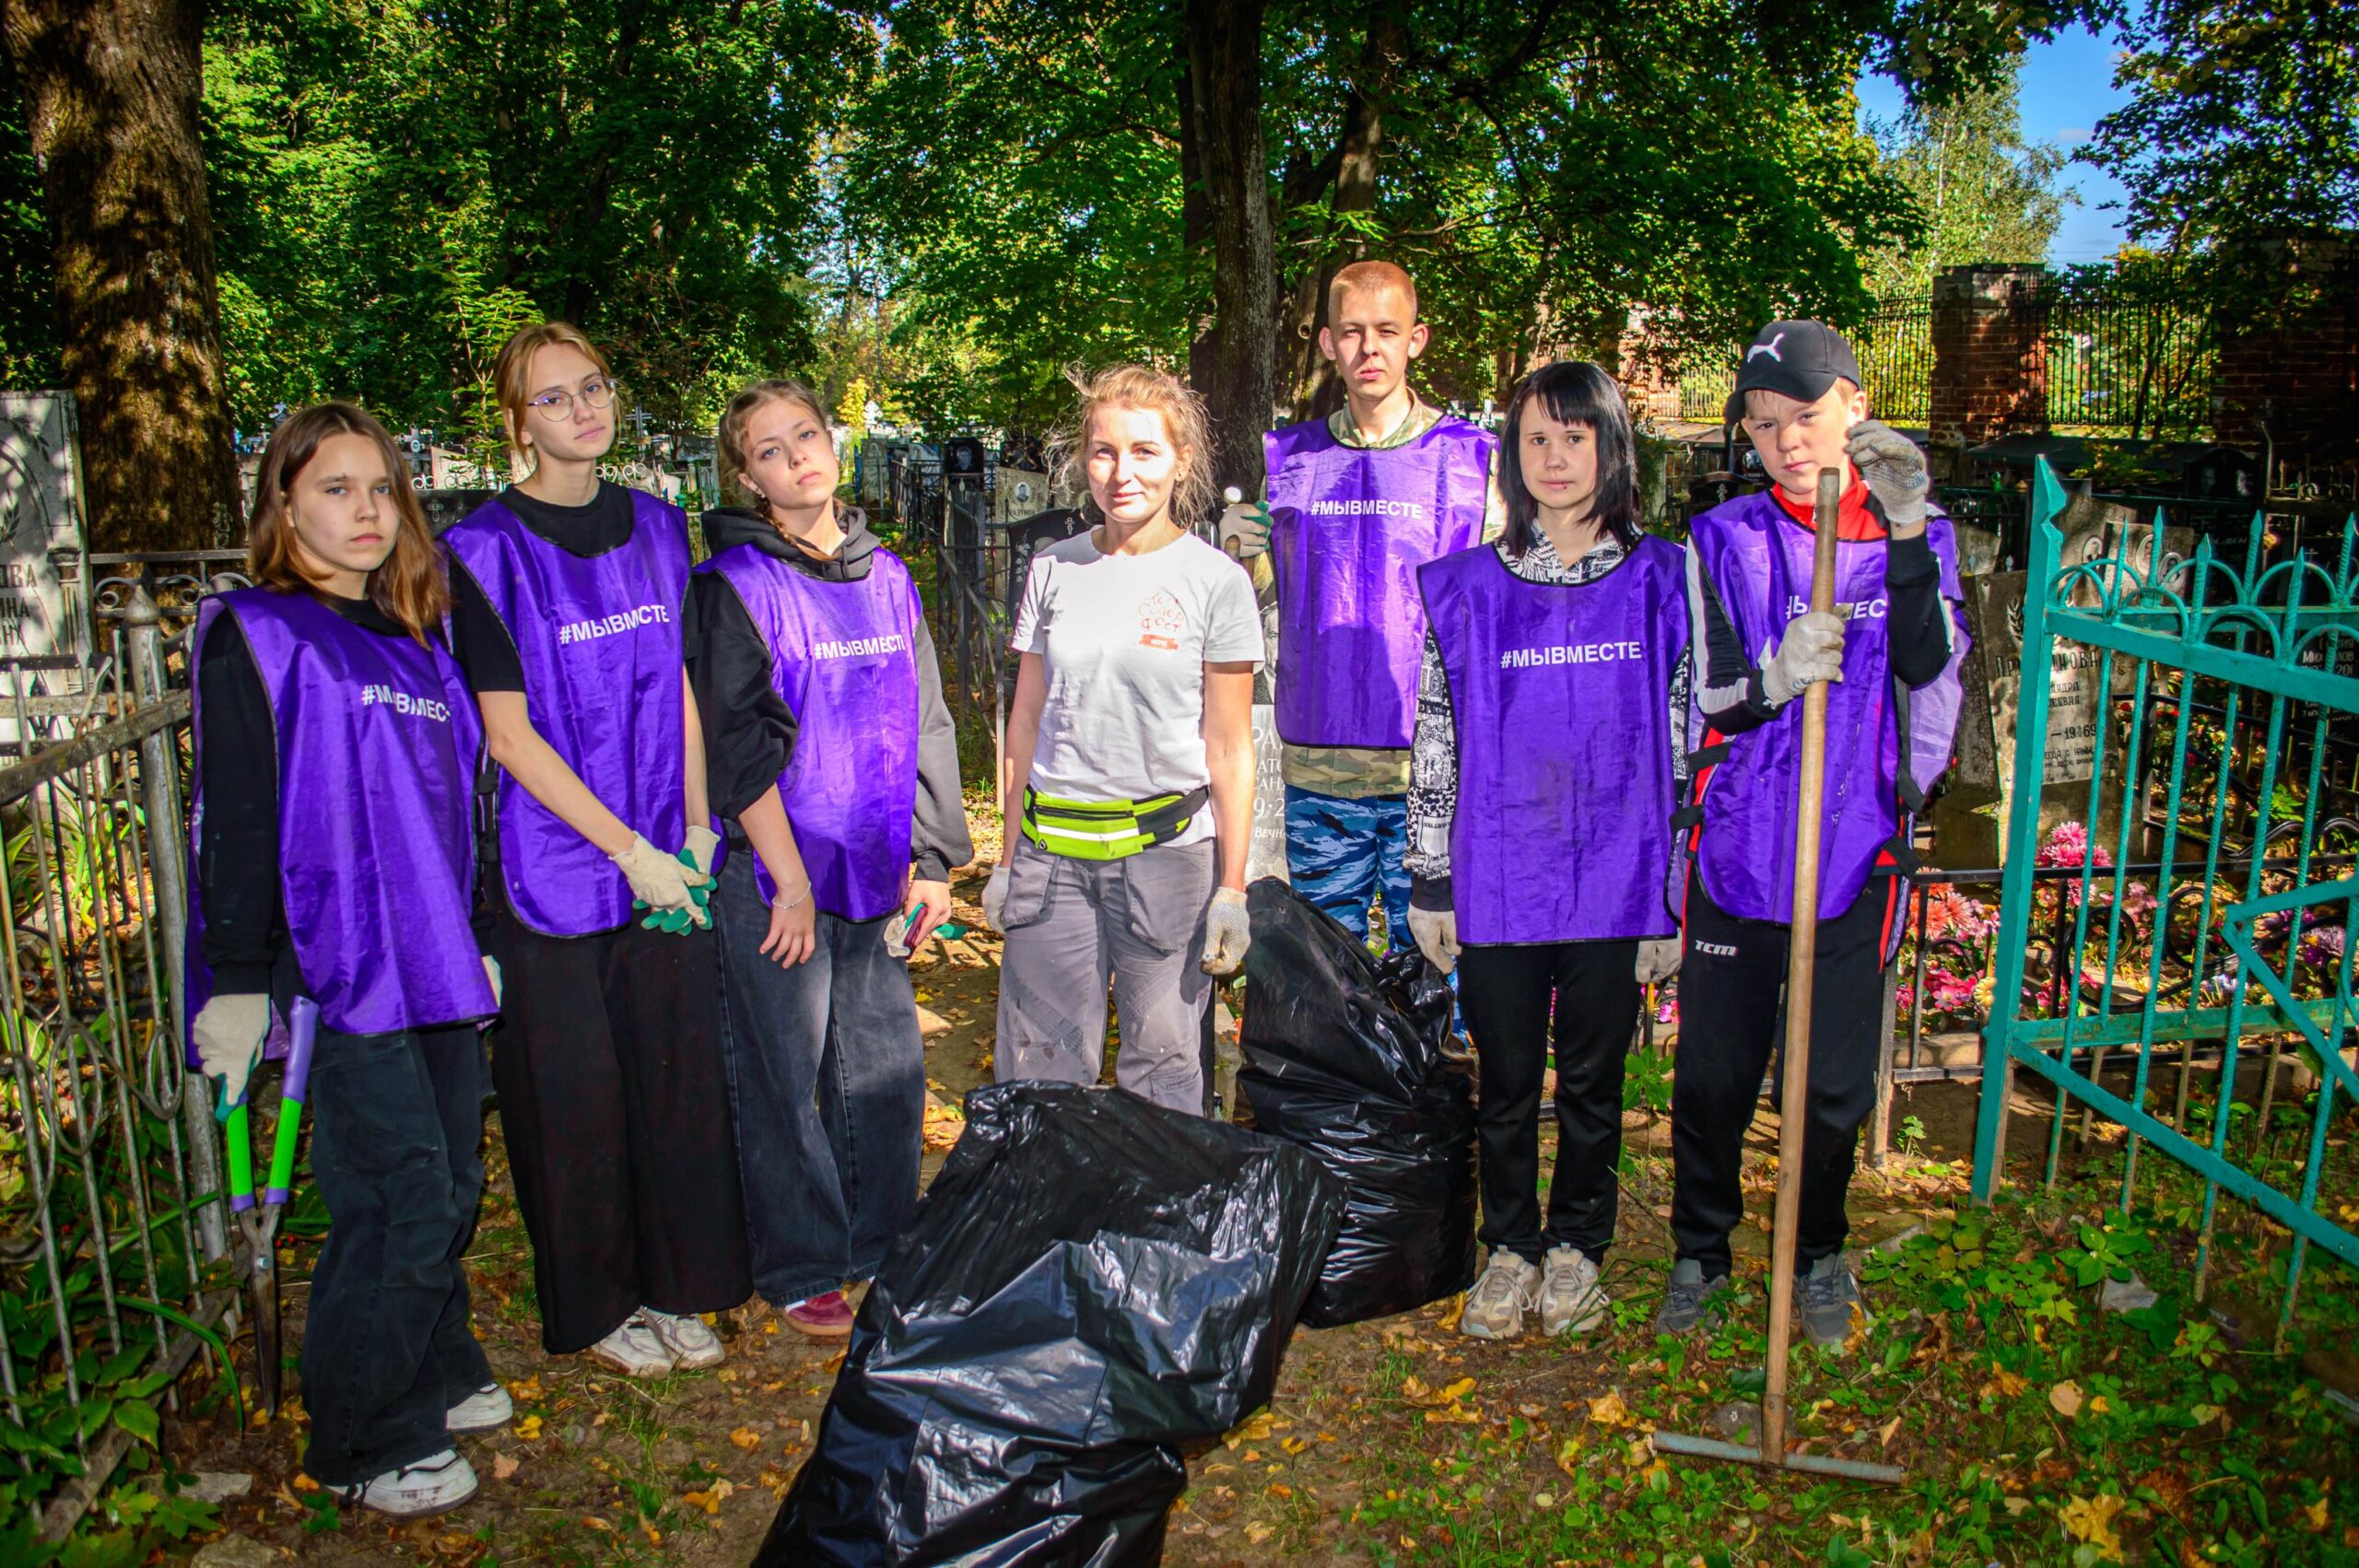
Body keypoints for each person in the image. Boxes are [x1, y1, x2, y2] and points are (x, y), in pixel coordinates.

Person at [187, 403, 503, 1516]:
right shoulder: (258, 631)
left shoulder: (416, 636)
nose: (367, 511)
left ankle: (436, 1364)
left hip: (436, 953)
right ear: (283, 505)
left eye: (381, 490)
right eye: (335, 489)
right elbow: (235, 810)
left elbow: (454, 802)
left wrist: (479, 933)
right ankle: (363, 1439)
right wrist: (237, 977)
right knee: (399, 1192)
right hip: (342, 962)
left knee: (453, 1175)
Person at [443, 322, 751, 1379]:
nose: (583, 410)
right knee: (573, 1098)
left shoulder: (661, 528)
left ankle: (676, 1280)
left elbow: (679, 684)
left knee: (673, 1079)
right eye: (553, 398)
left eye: (593, 387)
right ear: (516, 423)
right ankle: (602, 1299)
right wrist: (627, 850)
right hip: (558, 868)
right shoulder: (483, 551)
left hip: (669, 854)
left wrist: (698, 824)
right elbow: (508, 734)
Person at [1660, 321, 1967, 1348]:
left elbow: (1924, 664)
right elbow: (1711, 693)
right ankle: (1702, 1251)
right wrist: (1776, 677)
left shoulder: (1918, 534)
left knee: (1832, 1087)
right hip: (1742, 840)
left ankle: (1818, 1250)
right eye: (1761, 424)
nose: (1786, 440)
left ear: (1855, 407)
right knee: (1713, 1076)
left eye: (1805, 415)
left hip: (1857, 846)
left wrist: (1909, 528)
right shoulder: (1722, 538)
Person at [1404, 363, 1690, 1341]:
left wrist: (1671, 894)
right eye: (1536, 438)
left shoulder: (1665, 583)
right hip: (1499, 875)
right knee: (1506, 1078)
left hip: (1617, 878)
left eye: (1576, 437)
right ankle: (1511, 1248)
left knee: (1595, 1084)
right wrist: (1430, 878)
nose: (1556, 458)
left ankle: (1576, 1247)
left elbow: (1683, 739)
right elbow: (1435, 736)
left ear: (1612, 448)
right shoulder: (1466, 591)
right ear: (1512, 456)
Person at [687, 379, 969, 1339]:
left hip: (875, 865)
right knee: (786, 1072)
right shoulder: (733, 587)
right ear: (747, 478)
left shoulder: (886, 576)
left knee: (883, 1066)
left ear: (833, 442)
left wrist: (932, 859)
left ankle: (882, 1241)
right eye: (769, 450)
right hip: (779, 878)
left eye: (806, 434)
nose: (796, 457)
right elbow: (736, 747)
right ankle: (803, 1258)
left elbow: (927, 720)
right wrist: (790, 883)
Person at [983, 364, 1259, 1111]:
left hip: (1165, 864)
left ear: (1181, 461)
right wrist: (1006, 861)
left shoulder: (1215, 582)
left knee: (1163, 1077)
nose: (1121, 472)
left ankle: (1159, 1195)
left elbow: (1230, 749)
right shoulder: (1054, 568)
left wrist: (1232, 888)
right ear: (1084, 460)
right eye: (1104, 452)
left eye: (1144, 451)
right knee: (1040, 1079)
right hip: (1051, 864)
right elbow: (1026, 722)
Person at [1224, 261, 1499, 944]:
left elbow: (1505, 608)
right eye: (1351, 332)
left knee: (1435, 969)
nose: (1369, 348)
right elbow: (1259, 599)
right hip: (1321, 769)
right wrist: (1234, 553)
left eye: (1386, 330)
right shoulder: (1293, 460)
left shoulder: (1471, 461)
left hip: (1435, 772)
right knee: (1328, 970)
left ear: (1416, 340)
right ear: (1327, 343)